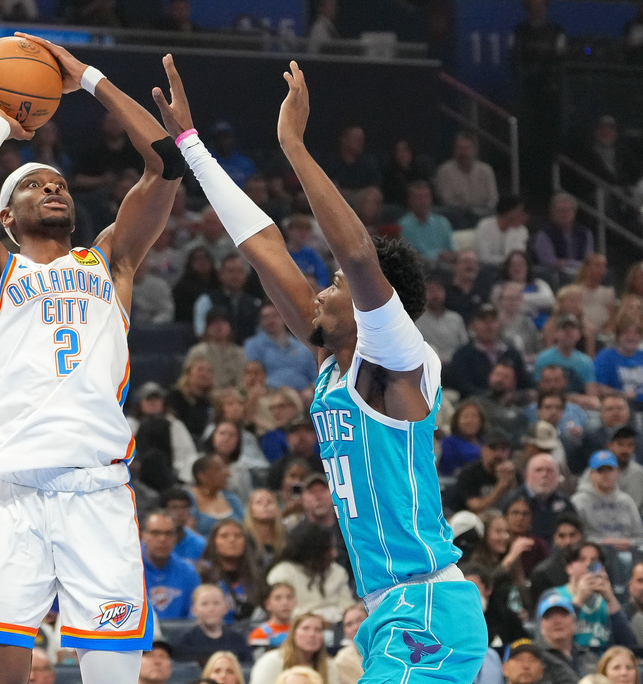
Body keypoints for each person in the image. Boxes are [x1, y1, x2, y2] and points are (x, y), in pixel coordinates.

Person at [157, 57, 486, 682]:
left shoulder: (398, 359)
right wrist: (191, 145)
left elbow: (359, 254)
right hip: (392, 608)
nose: (323, 291)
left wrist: (293, 146)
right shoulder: (332, 362)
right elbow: (262, 248)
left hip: (427, 607)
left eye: (333, 284)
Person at [0, 36, 187, 684]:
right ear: (8, 215)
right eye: (33, 185)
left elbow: (165, 164)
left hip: (99, 487)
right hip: (18, 486)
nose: (52, 188)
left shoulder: (110, 262)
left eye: (58, 183)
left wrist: (87, 77)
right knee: (0, 672)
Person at [550, 541, 637, 650]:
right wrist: (579, 600)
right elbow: (549, 641)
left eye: (594, 560)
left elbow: (629, 645)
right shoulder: (553, 597)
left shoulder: (608, 602)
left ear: (602, 568)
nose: (588, 564)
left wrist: (610, 600)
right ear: (569, 567)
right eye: (581, 560)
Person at [266, 521, 355, 624]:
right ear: (312, 552)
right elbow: (280, 612)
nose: (334, 554)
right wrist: (314, 619)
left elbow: (349, 608)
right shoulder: (282, 574)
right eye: (328, 550)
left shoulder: (338, 572)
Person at [570, 451, 643, 548]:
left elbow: (640, 536)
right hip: (593, 552)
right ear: (591, 474)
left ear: (617, 472)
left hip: (627, 553)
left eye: (609, 470)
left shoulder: (627, 501)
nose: (606, 475)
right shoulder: (578, 501)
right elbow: (576, 536)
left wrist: (629, 543)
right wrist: (600, 542)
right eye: (600, 470)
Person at [196, 518, 265, 623]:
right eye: (224, 536)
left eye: (238, 536)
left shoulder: (258, 576)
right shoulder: (202, 574)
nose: (232, 540)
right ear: (214, 542)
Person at [593, 315, 643, 406]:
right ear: (618, 335)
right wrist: (621, 395)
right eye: (626, 333)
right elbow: (599, 388)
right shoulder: (605, 356)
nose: (631, 337)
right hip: (618, 405)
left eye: (636, 333)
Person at [243, 303, 318, 392]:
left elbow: (315, 377)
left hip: (302, 396)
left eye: (275, 316)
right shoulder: (253, 345)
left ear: (284, 316)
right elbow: (252, 377)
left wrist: (310, 391)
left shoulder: (303, 348)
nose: (271, 320)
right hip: (269, 394)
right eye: (265, 317)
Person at [141, 509, 201, 620]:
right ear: (143, 535)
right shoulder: (128, 570)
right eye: (155, 533)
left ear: (175, 538)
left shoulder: (188, 572)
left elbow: (194, 618)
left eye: (168, 533)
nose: (162, 539)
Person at [575, 426, 643, 510]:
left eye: (630, 445)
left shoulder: (640, 473)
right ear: (609, 446)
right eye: (620, 444)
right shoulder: (595, 471)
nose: (625, 450)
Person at [247, 613, 339, 684]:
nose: (312, 634)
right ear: (293, 634)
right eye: (305, 628)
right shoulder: (270, 661)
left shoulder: (330, 665)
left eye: (318, 630)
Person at [504, 453, 576, 543]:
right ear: (526, 475)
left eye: (549, 471)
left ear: (558, 476)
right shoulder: (512, 500)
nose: (544, 475)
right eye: (538, 470)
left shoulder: (565, 504)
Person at [173, 584, 252, 665]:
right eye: (204, 604)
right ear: (194, 610)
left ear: (225, 607)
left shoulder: (237, 640)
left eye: (216, 603)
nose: (211, 609)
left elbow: (247, 668)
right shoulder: (186, 641)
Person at [534, 590, 599, 682]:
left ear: (574, 622)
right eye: (549, 616)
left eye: (563, 614)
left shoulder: (590, 658)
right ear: (541, 625)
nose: (557, 621)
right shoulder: (533, 657)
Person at [456, 430, 519, 513]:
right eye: (493, 448)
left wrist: (513, 482)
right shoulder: (469, 473)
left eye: (503, 449)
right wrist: (501, 487)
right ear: (482, 450)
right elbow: (475, 507)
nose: (499, 454)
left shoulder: (514, 473)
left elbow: (521, 505)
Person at [415, 275, 468, 366]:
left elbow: (464, 345)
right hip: (427, 366)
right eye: (431, 291)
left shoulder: (456, 318)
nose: (435, 295)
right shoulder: (417, 320)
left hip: (455, 366)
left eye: (438, 290)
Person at [396, 181, 454, 263]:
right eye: (418, 198)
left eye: (426, 197)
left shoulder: (443, 222)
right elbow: (409, 256)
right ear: (410, 201)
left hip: (446, 267)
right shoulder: (403, 226)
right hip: (421, 268)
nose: (423, 202)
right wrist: (436, 256)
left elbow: (452, 251)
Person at [474, 195, 530, 267]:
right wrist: (508, 261)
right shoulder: (485, 225)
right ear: (508, 211)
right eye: (520, 212)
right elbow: (483, 257)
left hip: (511, 268)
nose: (524, 217)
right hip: (487, 268)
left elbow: (518, 256)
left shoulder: (522, 231)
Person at [438, 400, 485, 476]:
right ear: (457, 421)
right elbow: (452, 469)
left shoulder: (486, 442)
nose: (470, 420)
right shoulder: (449, 442)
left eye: (474, 416)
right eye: (465, 417)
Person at [248, 581, 297, 655]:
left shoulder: (302, 629)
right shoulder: (259, 634)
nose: (285, 602)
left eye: (289, 597)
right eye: (278, 598)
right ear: (268, 604)